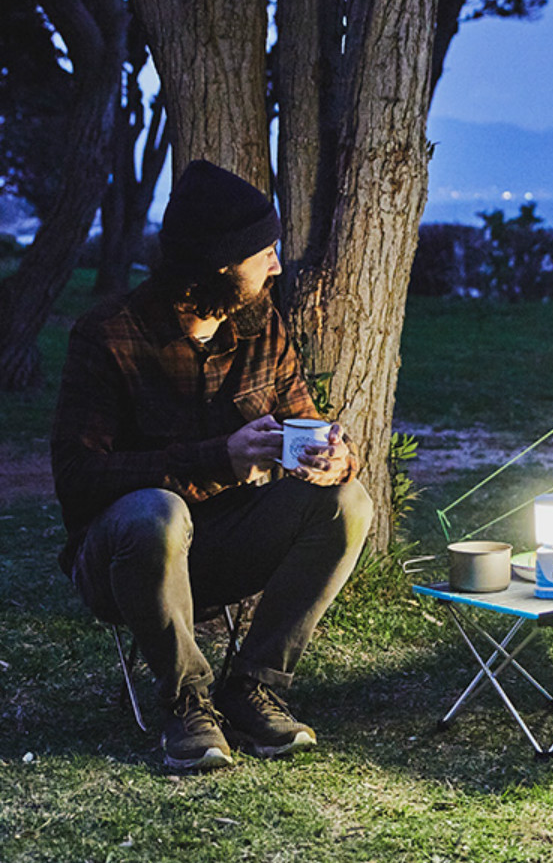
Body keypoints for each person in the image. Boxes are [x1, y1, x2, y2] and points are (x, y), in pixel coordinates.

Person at [51, 160, 373, 772]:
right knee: (158, 511)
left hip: (223, 546)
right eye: (266, 252)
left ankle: (253, 688)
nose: (277, 264)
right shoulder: (109, 336)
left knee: (349, 502)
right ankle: (185, 705)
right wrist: (218, 459)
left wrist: (334, 459)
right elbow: (77, 478)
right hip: (125, 558)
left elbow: (309, 420)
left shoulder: (260, 326)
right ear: (222, 264)